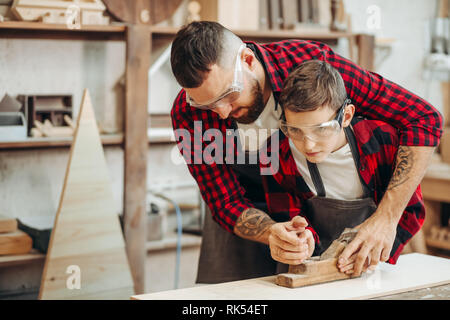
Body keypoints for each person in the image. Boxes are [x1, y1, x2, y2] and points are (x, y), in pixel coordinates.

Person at [169, 21, 442, 283]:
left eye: (229, 95)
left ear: (248, 61)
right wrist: (271, 232)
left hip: (302, 213)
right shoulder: (187, 113)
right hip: (240, 227)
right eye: (208, 105)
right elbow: (224, 201)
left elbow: (422, 118)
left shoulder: (310, 67)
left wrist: (385, 219)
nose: (223, 112)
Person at [260, 60, 425, 274]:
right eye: (295, 130)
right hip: (309, 272)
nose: (308, 145)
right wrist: (301, 240)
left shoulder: (383, 140)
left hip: (373, 270)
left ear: (346, 116)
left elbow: (411, 211)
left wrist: (376, 252)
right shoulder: (274, 151)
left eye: (320, 130)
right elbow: (286, 215)